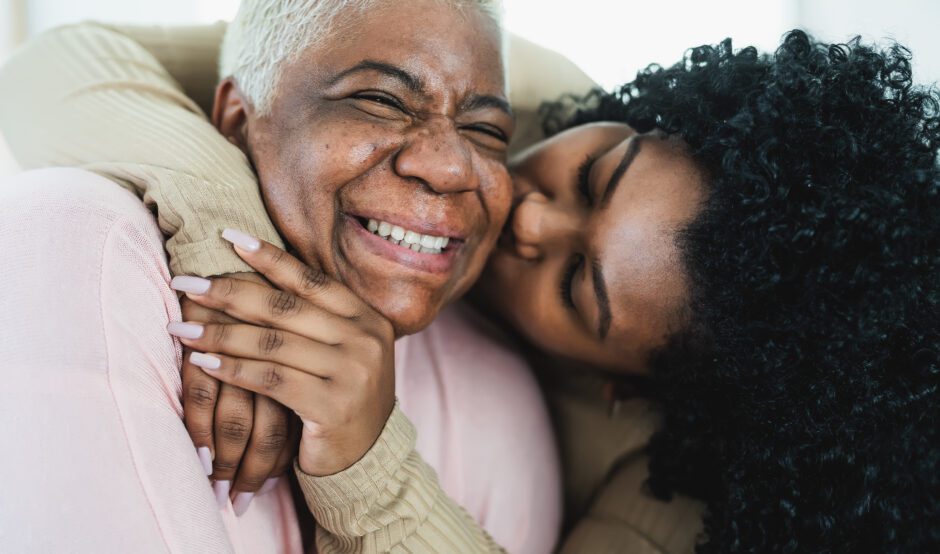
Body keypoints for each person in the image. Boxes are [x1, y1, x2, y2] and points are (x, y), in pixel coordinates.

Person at [5, 9, 936, 554]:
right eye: (593, 174)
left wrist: (369, 458)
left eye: (578, 284)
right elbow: (60, 63)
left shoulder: (662, 493)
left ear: (620, 384)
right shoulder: (497, 95)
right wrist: (222, 237)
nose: (529, 211)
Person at [0, 1, 582, 552]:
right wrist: (229, 241)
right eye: (381, 99)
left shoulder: (502, 402)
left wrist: (371, 475)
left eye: (487, 132)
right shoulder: (84, 250)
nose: (453, 166)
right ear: (235, 119)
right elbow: (50, 66)